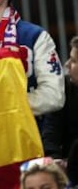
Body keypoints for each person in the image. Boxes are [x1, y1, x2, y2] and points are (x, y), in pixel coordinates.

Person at [42, 35, 78, 185]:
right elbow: (50, 131)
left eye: (74, 61)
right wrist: (54, 160)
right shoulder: (63, 89)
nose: (67, 64)